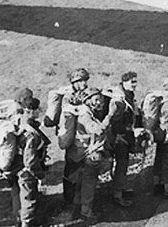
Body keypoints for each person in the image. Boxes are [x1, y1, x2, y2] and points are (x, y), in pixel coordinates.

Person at [58, 87, 111, 224]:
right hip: (87, 153)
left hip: (78, 152)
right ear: (88, 100)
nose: (100, 103)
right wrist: (108, 118)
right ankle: (86, 213)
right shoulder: (85, 115)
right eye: (96, 99)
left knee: (80, 181)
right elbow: (96, 129)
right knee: (89, 182)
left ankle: (77, 208)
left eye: (100, 99)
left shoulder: (82, 111)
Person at [7, 89, 49, 227]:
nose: (39, 112)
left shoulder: (16, 120)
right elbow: (30, 160)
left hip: (13, 166)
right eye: (37, 110)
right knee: (28, 199)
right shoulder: (30, 133)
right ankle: (27, 223)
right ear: (30, 111)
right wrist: (40, 175)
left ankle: (18, 220)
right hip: (25, 171)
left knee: (16, 195)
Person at [48, 68, 91, 204]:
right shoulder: (68, 97)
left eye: (85, 80)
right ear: (75, 82)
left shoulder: (86, 93)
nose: (84, 83)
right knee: (71, 168)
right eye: (81, 81)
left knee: (83, 169)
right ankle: (70, 199)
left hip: (83, 137)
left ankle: (79, 197)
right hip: (72, 138)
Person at [103, 71, 139, 207]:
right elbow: (114, 121)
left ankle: (119, 189)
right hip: (119, 138)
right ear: (124, 82)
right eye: (132, 82)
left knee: (122, 164)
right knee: (121, 164)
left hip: (124, 136)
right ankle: (117, 195)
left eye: (135, 82)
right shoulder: (118, 100)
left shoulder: (128, 95)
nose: (135, 85)